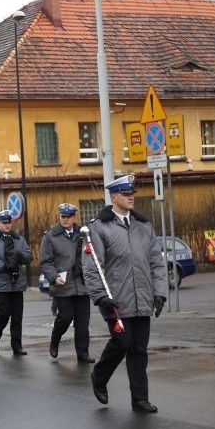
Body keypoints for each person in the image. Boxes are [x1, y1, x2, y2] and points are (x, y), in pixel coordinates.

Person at [83, 175, 167, 413]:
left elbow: (156, 263)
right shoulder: (99, 227)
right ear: (114, 197)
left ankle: (139, 399)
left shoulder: (143, 225)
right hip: (115, 298)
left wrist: (159, 293)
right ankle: (99, 377)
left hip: (142, 297)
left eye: (132, 193)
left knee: (139, 348)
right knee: (122, 342)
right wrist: (100, 297)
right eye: (126, 193)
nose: (131, 197)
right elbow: (92, 267)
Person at [40, 203, 93, 363]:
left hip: (82, 284)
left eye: (68, 217)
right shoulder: (50, 236)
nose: (65, 219)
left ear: (74, 218)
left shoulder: (84, 234)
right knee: (65, 318)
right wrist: (54, 277)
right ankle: (55, 340)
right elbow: (45, 262)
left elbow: (92, 256)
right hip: (63, 285)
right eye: (63, 216)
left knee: (83, 323)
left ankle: (83, 353)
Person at [0, 210, 33, 356]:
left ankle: (17, 346)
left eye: (9, 222)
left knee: (17, 316)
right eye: (4, 223)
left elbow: (28, 256)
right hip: (0, 283)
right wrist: (5, 265)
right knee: (4, 313)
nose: (7, 225)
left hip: (17, 282)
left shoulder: (18, 239)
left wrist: (19, 257)